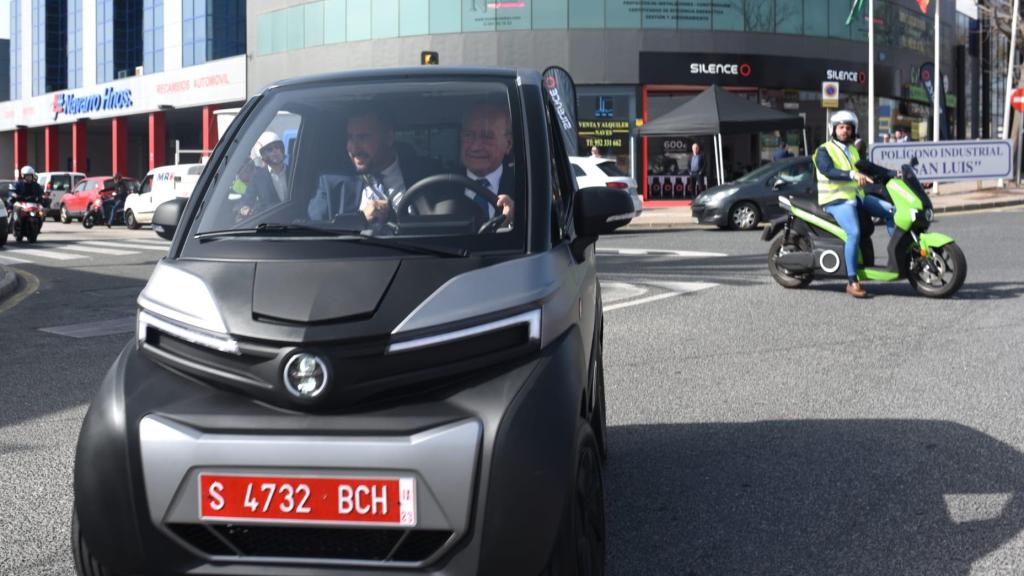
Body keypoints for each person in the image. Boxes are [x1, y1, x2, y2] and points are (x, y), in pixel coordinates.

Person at [307, 107, 446, 227]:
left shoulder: (428, 174)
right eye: (350, 137)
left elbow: (444, 227)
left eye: (363, 137)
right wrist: (360, 220)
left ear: (389, 138)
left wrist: (395, 218)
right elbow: (310, 232)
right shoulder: (331, 181)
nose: (354, 148)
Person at [813, 110, 894, 298]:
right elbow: (828, 170)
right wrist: (852, 174)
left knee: (892, 211)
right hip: (836, 200)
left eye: (848, 128)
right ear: (833, 129)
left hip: (856, 197)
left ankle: (902, 256)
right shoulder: (824, 150)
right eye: (841, 127)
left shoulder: (852, 150)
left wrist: (893, 173)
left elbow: (867, 167)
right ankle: (852, 281)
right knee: (854, 232)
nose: (844, 131)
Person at [460, 103, 515, 226]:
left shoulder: (526, 187)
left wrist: (519, 218)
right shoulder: (436, 190)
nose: (475, 147)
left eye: (487, 137)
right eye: (468, 135)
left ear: (508, 144)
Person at [238, 131, 289, 218]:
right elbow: (247, 200)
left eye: (277, 147)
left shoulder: (295, 172)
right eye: (270, 149)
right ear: (263, 155)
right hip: (271, 225)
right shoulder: (257, 178)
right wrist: (244, 208)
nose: (275, 151)